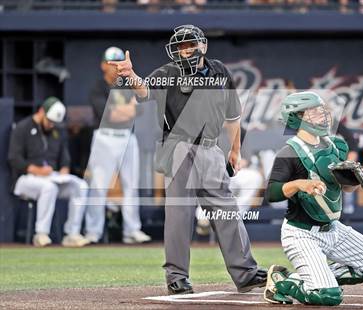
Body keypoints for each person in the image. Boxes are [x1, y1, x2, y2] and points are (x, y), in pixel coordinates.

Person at [107, 24, 267, 294]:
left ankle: (246, 273)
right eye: (180, 45)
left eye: (189, 43)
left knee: (227, 212)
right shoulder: (169, 72)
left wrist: (236, 150)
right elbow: (144, 92)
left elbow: (233, 117)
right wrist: (131, 74)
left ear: (202, 45)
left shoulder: (219, 71)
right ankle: (176, 277)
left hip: (212, 149)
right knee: (179, 215)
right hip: (179, 147)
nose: (185, 49)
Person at [263, 91, 363, 306]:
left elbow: (345, 189)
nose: (321, 115)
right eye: (313, 112)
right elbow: (272, 193)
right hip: (301, 234)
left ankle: (314, 278)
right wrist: (299, 184)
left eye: (320, 110)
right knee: (329, 296)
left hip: (333, 228)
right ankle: (281, 282)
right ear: (296, 118)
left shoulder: (336, 146)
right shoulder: (289, 152)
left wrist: (354, 181)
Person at [85, 46, 151, 244]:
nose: (115, 67)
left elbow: (139, 109)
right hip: (104, 137)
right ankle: (93, 232)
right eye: (111, 63)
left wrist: (122, 110)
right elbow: (109, 114)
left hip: (127, 137)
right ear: (104, 65)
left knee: (131, 184)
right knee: (99, 185)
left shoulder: (126, 85)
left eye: (119, 62)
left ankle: (132, 230)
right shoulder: (98, 87)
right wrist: (126, 110)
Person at [8, 97, 90, 247]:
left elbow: (64, 159)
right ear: (41, 112)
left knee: (81, 186)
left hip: (52, 177)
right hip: (25, 179)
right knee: (49, 188)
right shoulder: (22, 128)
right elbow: (14, 159)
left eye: (54, 123)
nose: (51, 125)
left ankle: (72, 233)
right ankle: (41, 234)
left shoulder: (56, 131)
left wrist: (64, 171)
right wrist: (37, 170)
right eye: (49, 121)